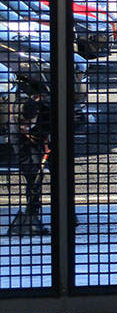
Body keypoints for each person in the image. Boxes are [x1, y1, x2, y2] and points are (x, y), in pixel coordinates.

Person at [6, 79, 51, 237]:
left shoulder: (43, 107)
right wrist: (29, 134)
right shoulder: (25, 106)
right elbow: (22, 125)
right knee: (33, 174)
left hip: (34, 139)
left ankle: (33, 212)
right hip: (20, 142)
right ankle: (31, 215)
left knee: (37, 174)